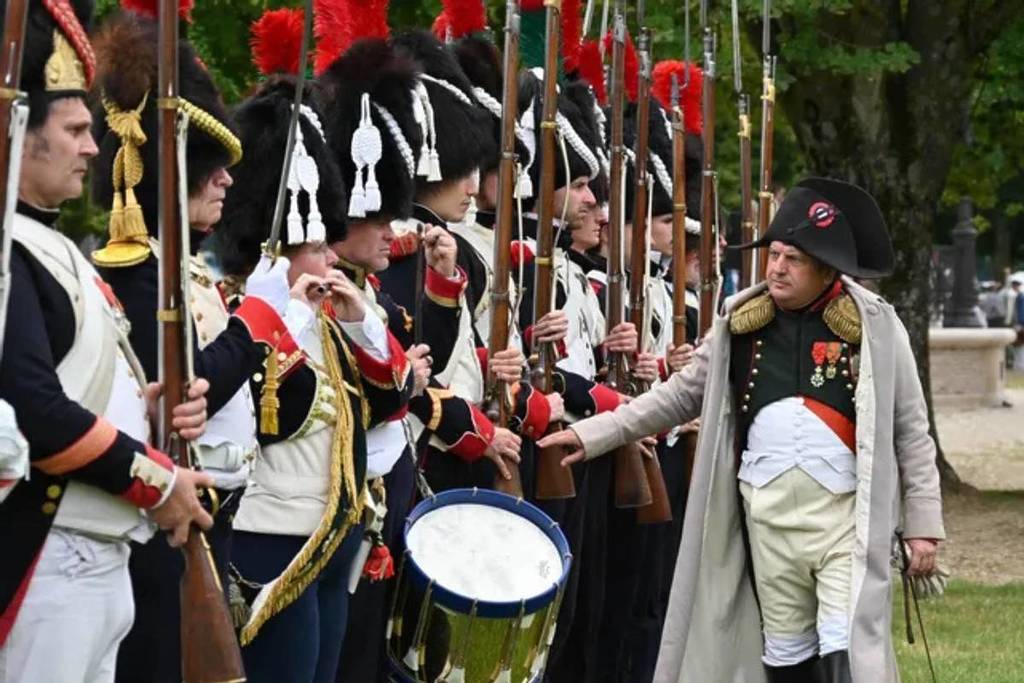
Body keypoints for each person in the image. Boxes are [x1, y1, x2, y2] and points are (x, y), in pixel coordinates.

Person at [540, 178, 945, 683]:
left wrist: (924, 525)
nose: (776, 268)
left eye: (793, 259)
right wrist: (593, 434)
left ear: (826, 268)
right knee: (786, 650)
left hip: (845, 519)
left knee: (845, 648)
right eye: (774, 255)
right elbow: (678, 395)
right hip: (766, 518)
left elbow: (911, 429)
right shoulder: (740, 321)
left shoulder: (877, 324)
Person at [0, 2, 210, 680]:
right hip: (50, 555)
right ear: (18, 132)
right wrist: (157, 479)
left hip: (101, 552)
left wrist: (146, 411)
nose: (94, 148)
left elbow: (74, 385)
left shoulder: (53, 247)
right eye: (74, 130)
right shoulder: (8, 250)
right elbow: (34, 409)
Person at [87, 10, 296, 680]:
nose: (226, 180)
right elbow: (187, 386)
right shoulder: (133, 267)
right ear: (170, 171)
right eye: (209, 169)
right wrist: (257, 319)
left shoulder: (181, 268)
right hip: (169, 516)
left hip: (216, 505)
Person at [214, 70, 414, 682]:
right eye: (317, 247)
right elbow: (276, 415)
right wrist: (288, 319)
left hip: (329, 538)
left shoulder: (323, 314)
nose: (330, 258)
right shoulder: (237, 309)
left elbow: (390, 403)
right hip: (271, 541)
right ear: (277, 250)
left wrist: (362, 327)